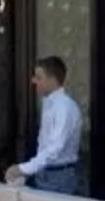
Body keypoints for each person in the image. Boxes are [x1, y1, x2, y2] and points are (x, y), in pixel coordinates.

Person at [9, 57, 82, 193]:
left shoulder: (64, 107)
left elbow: (56, 147)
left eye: (38, 77)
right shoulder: (50, 103)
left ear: (52, 79)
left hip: (59, 176)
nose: (33, 81)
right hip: (46, 173)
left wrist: (24, 168)